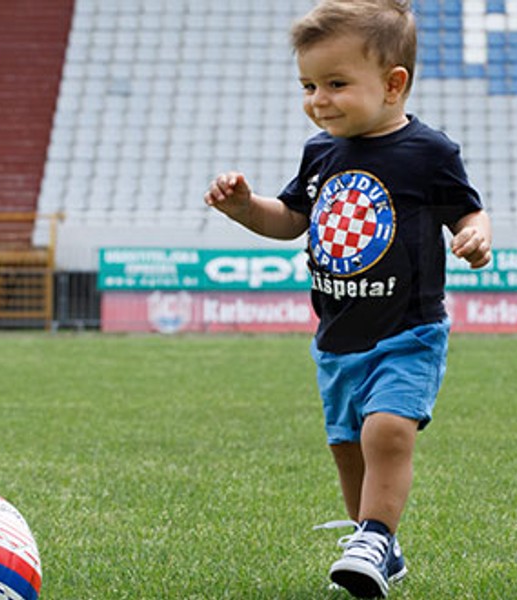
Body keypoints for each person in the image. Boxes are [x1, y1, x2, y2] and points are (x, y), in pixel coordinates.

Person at [203, 0, 492, 597]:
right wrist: (243, 209)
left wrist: (475, 233)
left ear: (393, 85)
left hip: (408, 330)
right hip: (337, 339)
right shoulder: (320, 153)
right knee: (347, 448)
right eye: (308, 85)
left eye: (336, 84)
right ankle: (376, 542)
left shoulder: (429, 152)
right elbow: (291, 220)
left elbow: (468, 208)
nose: (318, 99)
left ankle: (375, 535)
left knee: (386, 431)